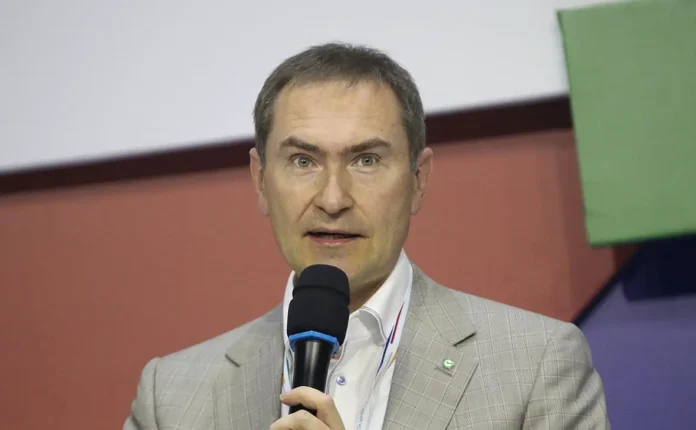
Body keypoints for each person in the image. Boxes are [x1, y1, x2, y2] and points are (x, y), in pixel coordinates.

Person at [124, 42, 609, 430]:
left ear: (418, 180)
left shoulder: (536, 365)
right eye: (303, 161)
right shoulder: (172, 397)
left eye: (366, 160)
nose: (333, 198)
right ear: (260, 180)